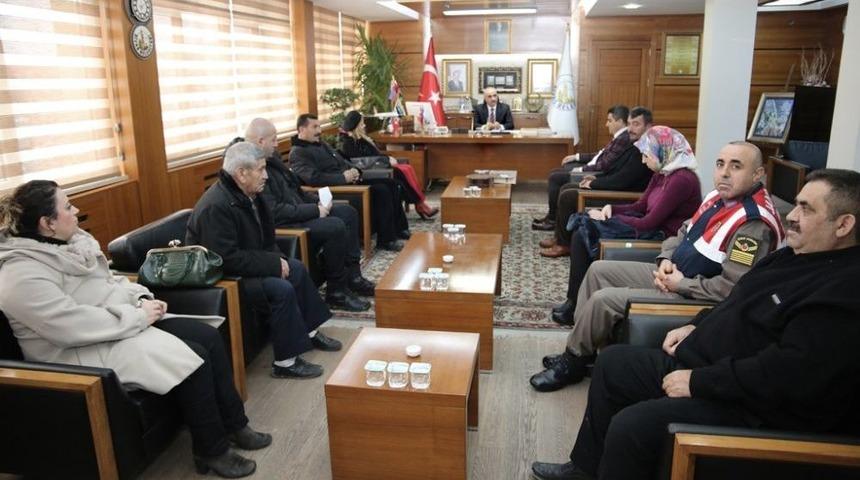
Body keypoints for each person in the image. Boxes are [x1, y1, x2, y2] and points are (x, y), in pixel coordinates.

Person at [530, 169, 860, 480]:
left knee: (631, 426)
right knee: (613, 363)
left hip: (748, 403)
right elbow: (736, 299)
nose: (791, 215)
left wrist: (699, 382)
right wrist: (696, 325)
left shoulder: (843, 292)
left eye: (805, 209)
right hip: (706, 361)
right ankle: (585, 468)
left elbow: (787, 374)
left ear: (843, 224)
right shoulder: (793, 255)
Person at [0, 180, 271, 478]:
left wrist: (141, 298)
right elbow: (68, 325)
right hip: (77, 352)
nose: (76, 210)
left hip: (114, 328)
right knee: (192, 358)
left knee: (207, 336)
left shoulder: (71, 244)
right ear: (47, 223)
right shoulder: (20, 274)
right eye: (67, 206)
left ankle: (235, 424)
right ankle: (211, 450)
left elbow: (111, 281)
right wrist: (138, 316)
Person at [531, 141, 785, 392]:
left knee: (603, 300)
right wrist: (664, 260)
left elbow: (732, 289)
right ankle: (582, 350)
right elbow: (681, 233)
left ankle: (572, 362)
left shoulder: (752, 223)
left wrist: (680, 284)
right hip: (673, 274)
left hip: (694, 295)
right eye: (720, 164)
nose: (725, 172)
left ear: (757, 174)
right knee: (598, 270)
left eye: (736, 166)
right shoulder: (718, 199)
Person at [187, 142, 342, 380]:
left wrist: (279, 260)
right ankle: (285, 362)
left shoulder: (250, 194)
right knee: (280, 289)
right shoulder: (216, 206)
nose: (266, 176)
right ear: (241, 173)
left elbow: (267, 238)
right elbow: (224, 259)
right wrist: (271, 265)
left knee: (297, 269)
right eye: (260, 170)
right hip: (224, 277)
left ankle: (310, 332)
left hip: (247, 265)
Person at [555, 126, 701, 324]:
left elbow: (649, 222)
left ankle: (575, 304)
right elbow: (641, 205)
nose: (643, 160)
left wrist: (609, 219)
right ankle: (574, 301)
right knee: (584, 225)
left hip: (661, 238)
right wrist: (611, 209)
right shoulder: (662, 173)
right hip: (647, 227)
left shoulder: (682, 180)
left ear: (663, 152)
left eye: (646, 155)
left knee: (585, 233)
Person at [242, 118, 374, 312]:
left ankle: (353, 276)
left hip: (299, 210)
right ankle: (336, 291)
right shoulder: (254, 169)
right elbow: (274, 212)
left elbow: (296, 189)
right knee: (335, 226)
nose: (278, 144)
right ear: (260, 141)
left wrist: (317, 201)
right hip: (285, 224)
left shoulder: (273, 160)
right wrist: (314, 210)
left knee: (347, 212)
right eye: (274, 140)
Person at [535, 107, 654, 258]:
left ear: (648, 127)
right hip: (615, 187)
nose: (630, 129)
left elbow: (622, 180)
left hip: (623, 196)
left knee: (569, 195)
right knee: (566, 187)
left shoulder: (645, 150)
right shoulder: (634, 144)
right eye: (629, 124)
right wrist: (596, 179)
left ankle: (564, 245)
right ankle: (562, 237)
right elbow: (616, 171)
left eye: (636, 124)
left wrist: (594, 184)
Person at [290, 113, 410, 252]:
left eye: (319, 126)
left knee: (392, 184)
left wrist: (354, 170)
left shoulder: (321, 144)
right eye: (314, 127)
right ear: (301, 129)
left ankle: (399, 228)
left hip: (349, 180)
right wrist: (343, 178)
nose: (319, 131)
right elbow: (313, 178)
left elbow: (341, 160)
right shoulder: (298, 152)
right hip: (337, 189)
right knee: (382, 190)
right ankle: (386, 239)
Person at [533, 105, 634, 235]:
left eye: (610, 121)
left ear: (620, 122)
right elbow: (600, 154)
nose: (606, 124)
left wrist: (580, 169)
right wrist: (577, 156)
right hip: (594, 170)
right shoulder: (619, 137)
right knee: (556, 172)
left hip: (595, 174)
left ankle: (553, 220)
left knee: (556, 177)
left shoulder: (623, 139)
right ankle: (553, 217)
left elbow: (603, 165)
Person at [338, 110, 439, 219]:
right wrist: (386, 160)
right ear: (356, 125)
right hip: (371, 171)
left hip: (378, 165)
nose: (364, 125)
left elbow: (374, 154)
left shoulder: (360, 138)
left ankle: (420, 203)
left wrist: (385, 157)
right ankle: (419, 204)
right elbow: (362, 161)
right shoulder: (348, 143)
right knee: (399, 173)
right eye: (362, 123)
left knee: (406, 168)